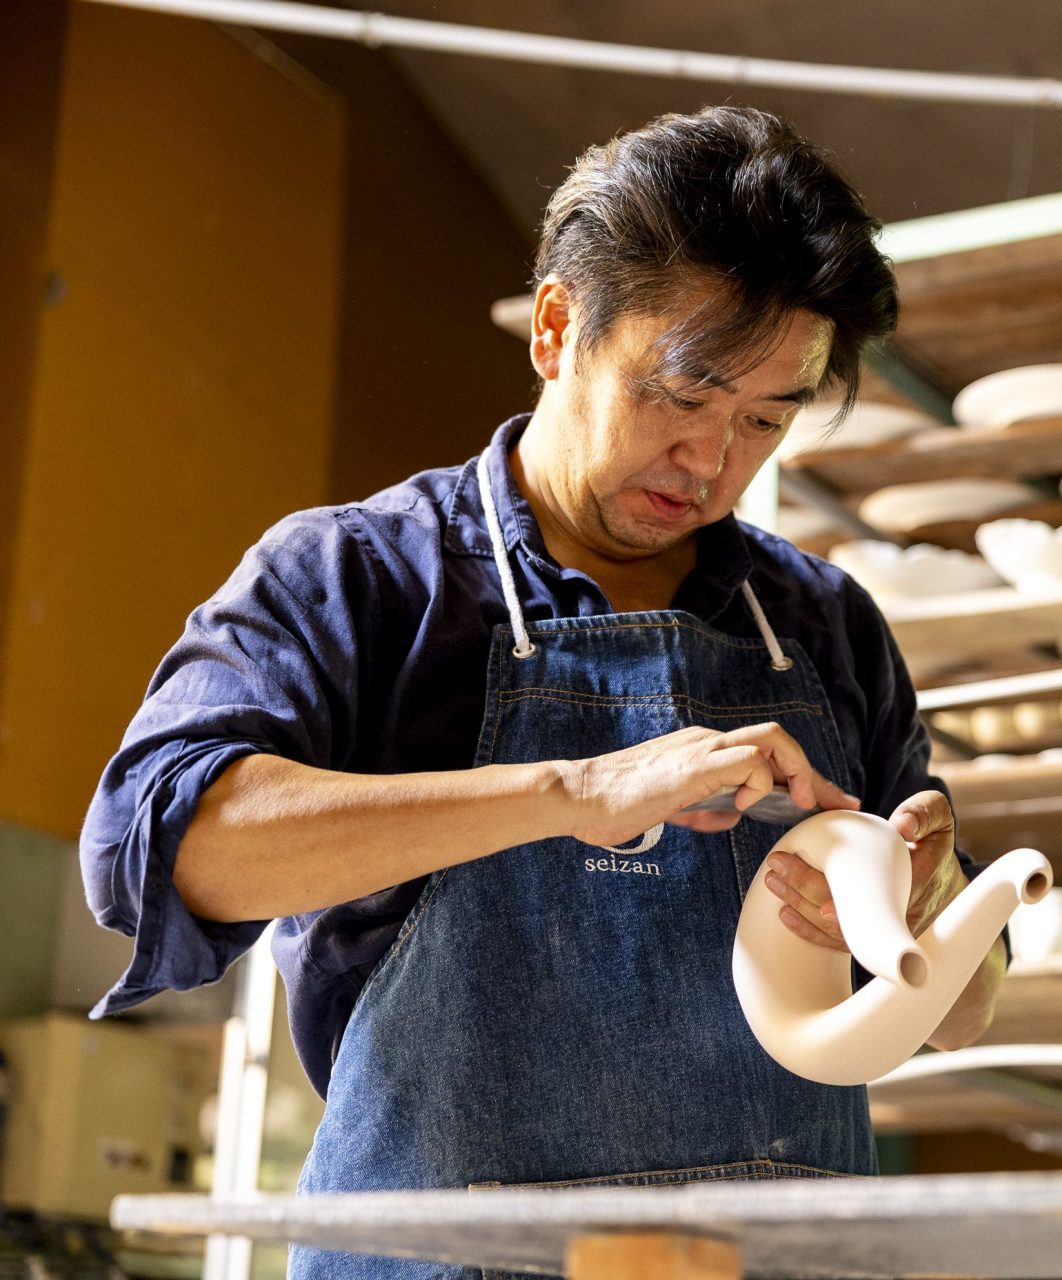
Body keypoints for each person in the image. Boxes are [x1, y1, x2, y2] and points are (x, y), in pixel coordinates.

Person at [79, 106, 1005, 1277]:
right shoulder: (366, 579)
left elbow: (965, 1008)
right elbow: (160, 848)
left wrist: (927, 914)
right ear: (560, 327)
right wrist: (575, 787)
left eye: (766, 419)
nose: (714, 462)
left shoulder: (822, 626)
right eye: (682, 393)